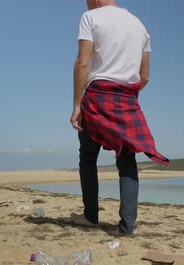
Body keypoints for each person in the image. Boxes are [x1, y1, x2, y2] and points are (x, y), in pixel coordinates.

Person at [70, 0, 169, 236]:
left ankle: (90, 216)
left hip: (97, 96)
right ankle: (126, 228)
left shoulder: (91, 17)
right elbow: (144, 76)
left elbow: (82, 63)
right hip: (127, 97)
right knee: (127, 159)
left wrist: (76, 104)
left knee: (88, 156)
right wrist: (125, 93)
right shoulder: (139, 25)